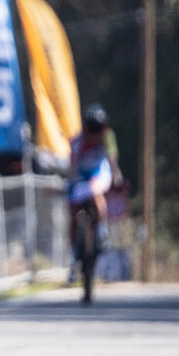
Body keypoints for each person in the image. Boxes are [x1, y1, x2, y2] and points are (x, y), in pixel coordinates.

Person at [66, 103, 120, 274]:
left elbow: (112, 159)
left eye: (99, 131)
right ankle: (74, 255)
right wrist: (73, 183)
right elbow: (73, 166)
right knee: (74, 216)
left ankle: (102, 234)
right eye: (93, 131)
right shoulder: (77, 141)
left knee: (97, 194)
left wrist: (116, 176)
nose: (96, 135)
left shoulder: (108, 136)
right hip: (80, 175)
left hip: (99, 171)